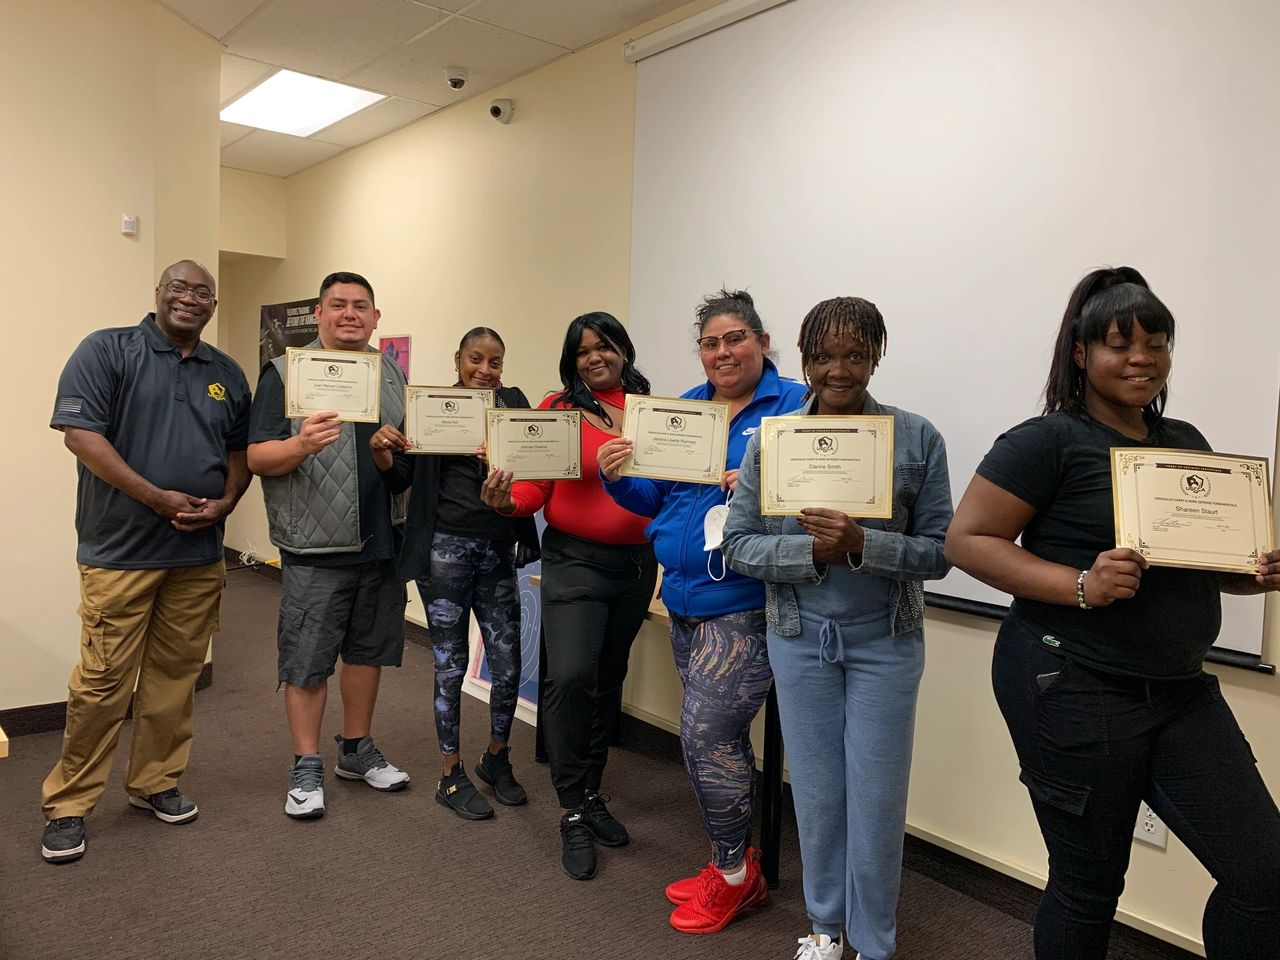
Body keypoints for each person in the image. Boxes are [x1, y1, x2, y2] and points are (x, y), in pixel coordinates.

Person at [945, 267, 1280, 960]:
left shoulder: (1184, 441)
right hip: (1071, 683)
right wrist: (1081, 584)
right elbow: (968, 541)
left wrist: (1255, 574)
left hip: (1178, 689)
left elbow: (1210, 564)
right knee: (1088, 886)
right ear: (1081, 353)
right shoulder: (1046, 442)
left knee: (1265, 875)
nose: (1141, 359)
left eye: (1156, 343)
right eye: (1119, 344)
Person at [721, 297, 953, 960]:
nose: (839, 370)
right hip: (800, 640)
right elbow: (738, 545)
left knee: (877, 798)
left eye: (855, 354)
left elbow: (941, 551)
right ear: (804, 360)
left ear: (877, 355)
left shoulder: (917, 438)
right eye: (824, 356)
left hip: (887, 642)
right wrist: (811, 553)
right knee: (819, 794)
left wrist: (862, 545)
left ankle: (874, 941)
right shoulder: (772, 441)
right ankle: (825, 926)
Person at [597, 290, 807, 932]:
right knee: (718, 741)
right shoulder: (686, 408)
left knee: (705, 736)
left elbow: (824, 491)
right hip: (684, 600)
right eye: (711, 343)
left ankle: (735, 877)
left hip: (745, 603)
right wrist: (616, 475)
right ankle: (734, 864)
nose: (723, 352)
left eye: (736, 338)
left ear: (762, 342)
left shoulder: (796, 406)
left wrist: (762, 483)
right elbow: (654, 497)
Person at [41, 261, 252, 864]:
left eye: (203, 292)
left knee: (174, 680)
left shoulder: (226, 372)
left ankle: (154, 781)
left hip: (197, 556)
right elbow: (81, 436)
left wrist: (226, 503)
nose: (190, 298)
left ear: (213, 305)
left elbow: (239, 451)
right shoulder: (108, 350)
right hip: (120, 553)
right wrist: (157, 498)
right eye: (178, 288)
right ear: (157, 293)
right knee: (103, 683)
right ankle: (69, 804)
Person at [480, 312, 657, 881]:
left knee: (607, 677)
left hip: (637, 565)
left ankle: (592, 792)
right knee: (572, 676)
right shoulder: (557, 410)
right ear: (571, 360)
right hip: (575, 562)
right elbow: (535, 487)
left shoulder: (651, 409)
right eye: (582, 351)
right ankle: (572, 807)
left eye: (604, 346)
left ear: (623, 349)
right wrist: (508, 502)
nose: (594, 357)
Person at [247, 271, 412, 821]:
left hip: (381, 540)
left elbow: (407, 457)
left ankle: (357, 751)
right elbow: (257, 457)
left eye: (360, 306)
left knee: (367, 654)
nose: (349, 314)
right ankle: (306, 764)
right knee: (307, 660)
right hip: (316, 546)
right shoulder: (284, 372)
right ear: (317, 314)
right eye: (337, 305)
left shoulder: (391, 373)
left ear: (375, 317)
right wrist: (299, 444)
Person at [372, 327, 540, 820]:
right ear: (458, 360)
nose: (485, 370)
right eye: (475, 359)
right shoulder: (430, 407)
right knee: (450, 664)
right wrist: (381, 450)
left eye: (495, 362)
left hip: (496, 549)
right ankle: (450, 774)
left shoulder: (513, 404)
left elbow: (535, 461)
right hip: (443, 550)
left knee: (507, 664)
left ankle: (496, 757)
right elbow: (401, 477)